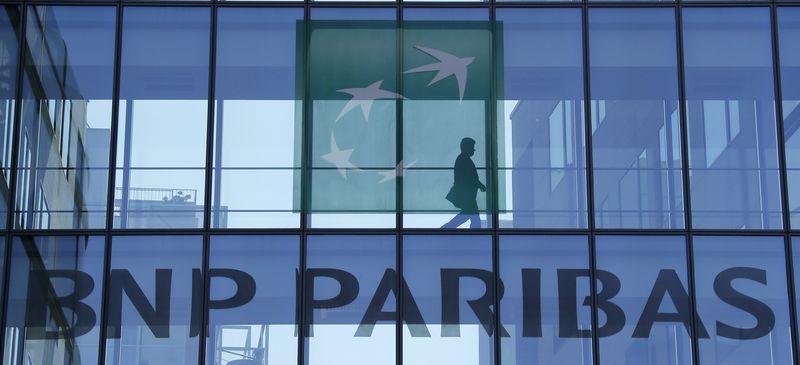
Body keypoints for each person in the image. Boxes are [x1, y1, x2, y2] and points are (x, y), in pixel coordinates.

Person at [442, 137, 486, 228]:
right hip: (466, 195)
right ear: (466, 147)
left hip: (467, 195)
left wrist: (479, 184)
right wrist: (480, 185)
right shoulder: (464, 160)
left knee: (469, 215)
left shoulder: (463, 159)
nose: (474, 149)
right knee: (473, 218)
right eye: (472, 147)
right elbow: (469, 178)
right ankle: (446, 229)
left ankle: (446, 229)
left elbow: (469, 178)